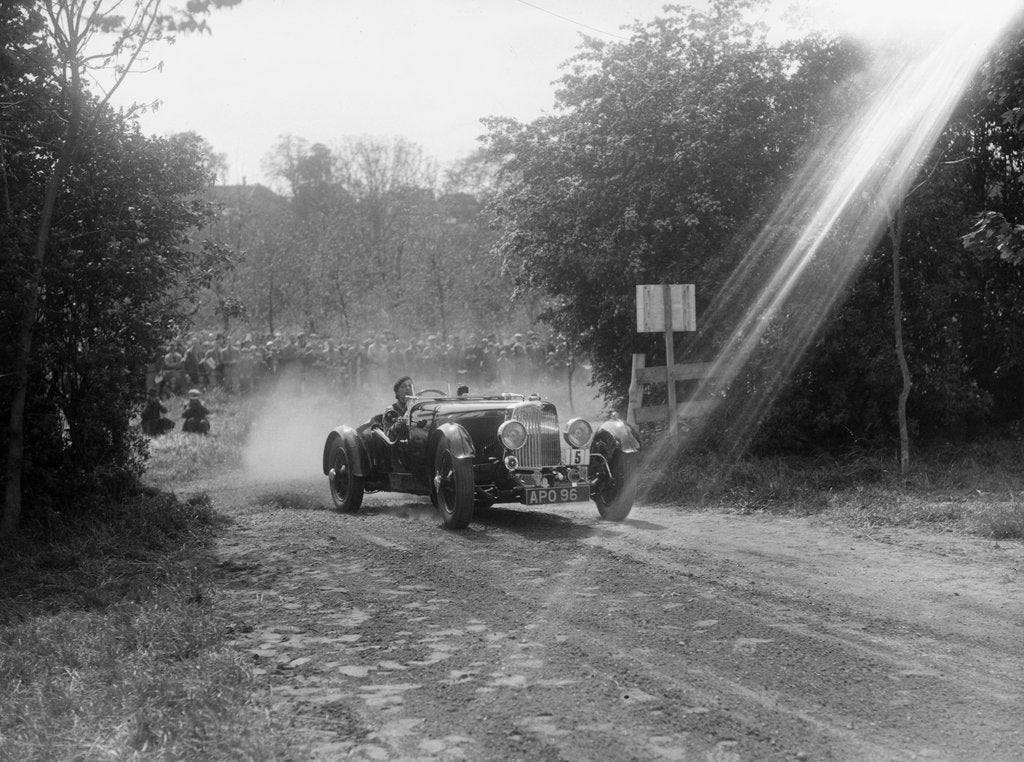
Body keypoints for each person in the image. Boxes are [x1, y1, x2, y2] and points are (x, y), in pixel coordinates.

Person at [383, 375, 413, 440]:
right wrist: (397, 425)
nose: (408, 388)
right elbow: (387, 437)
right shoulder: (391, 410)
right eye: (403, 386)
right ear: (397, 392)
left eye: (410, 386)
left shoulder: (417, 409)